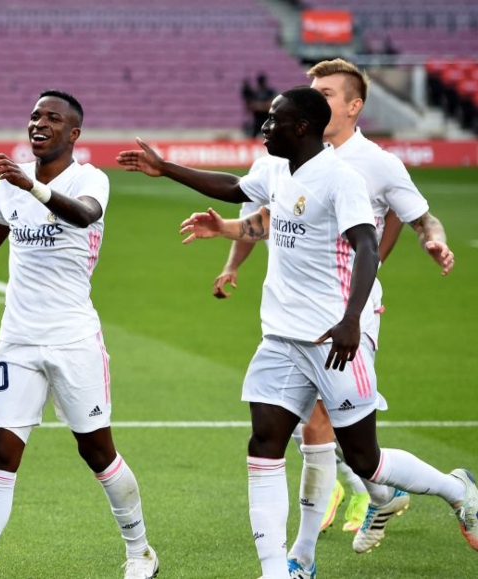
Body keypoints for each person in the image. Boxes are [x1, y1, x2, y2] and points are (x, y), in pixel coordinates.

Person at [116, 86, 477, 579]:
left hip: (334, 339)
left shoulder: (340, 179)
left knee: (365, 460)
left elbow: (367, 247)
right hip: (280, 339)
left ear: (302, 127)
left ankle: (458, 490)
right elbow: (233, 188)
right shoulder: (275, 169)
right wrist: (167, 168)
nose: (264, 128)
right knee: (263, 444)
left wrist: (352, 320)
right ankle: (277, 570)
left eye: (274, 121)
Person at [209, 59, 457, 567]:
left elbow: (418, 216)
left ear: (352, 105)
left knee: (339, 437)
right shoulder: (289, 158)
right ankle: (306, 551)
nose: (314, 97)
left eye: (324, 90)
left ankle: (399, 493)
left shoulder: (375, 163)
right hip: (295, 321)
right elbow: (271, 216)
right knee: (307, 430)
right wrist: (232, 249)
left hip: (352, 313)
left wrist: (434, 240)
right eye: (310, 90)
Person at [0, 90, 159, 579]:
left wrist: (30, 187)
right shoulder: (12, 183)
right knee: (0, 454)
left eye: (52, 118)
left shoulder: (90, 179)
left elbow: (84, 214)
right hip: (16, 341)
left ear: (73, 133)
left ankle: (140, 551)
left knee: (97, 452)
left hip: (74, 340)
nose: (39, 123)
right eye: (35, 116)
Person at [247, 73, 275, 138]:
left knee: (270, 136)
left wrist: (259, 105)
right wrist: (264, 106)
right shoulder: (255, 93)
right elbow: (252, 106)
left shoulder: (269, 91)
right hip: (257, 119)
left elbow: (270, 105)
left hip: (267, 118)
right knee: (253, 136)